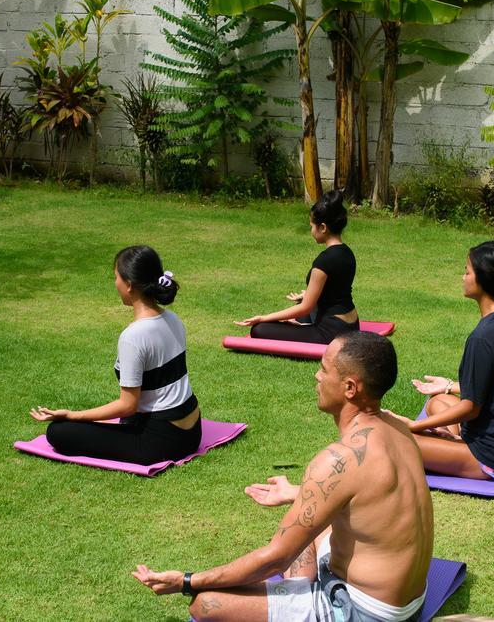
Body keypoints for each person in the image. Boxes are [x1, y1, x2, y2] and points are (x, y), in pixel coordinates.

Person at [133, 332, 434, 622]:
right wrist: (297, 493)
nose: (317, 376)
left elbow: (276, 559)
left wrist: (188, 581)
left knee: (206, 603)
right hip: (409, 601)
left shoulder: (337, 459)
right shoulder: (400, 430)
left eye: (324, 369)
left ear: (350, 388)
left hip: (363, 611)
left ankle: (303, 599)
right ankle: (300, 594)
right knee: (311, 524)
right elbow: (374, 495)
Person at [30, 245, 202, 465]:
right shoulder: (173, 319)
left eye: (116, 278)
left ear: (129, 285)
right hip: (192, 431)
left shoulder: (133, 336)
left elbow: (128, 405)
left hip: (163, 442)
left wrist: (72, 414)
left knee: (58, 431)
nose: (115, 283)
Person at [403, 241, 494, 481]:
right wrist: (447, 386)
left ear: (483, 279)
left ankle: (449, 443)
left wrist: (415, 426)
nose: (463, 277)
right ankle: (449, 440)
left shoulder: (482, 338)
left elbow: (470, 409)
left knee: (393, 439)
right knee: (438, 401)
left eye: (467, 271)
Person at [236, 190, 359, 345]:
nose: (311, 231)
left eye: (311, 226)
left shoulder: (323, 261)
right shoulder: (347, 253)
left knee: (259, 329)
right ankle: (302, 326)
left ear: (322, 227)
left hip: (331, 333)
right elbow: (337, 289)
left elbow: (305, 308)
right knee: (299, 312)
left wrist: (263, 317)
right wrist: (308, 295)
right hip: (351, 325)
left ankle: (302, 327)